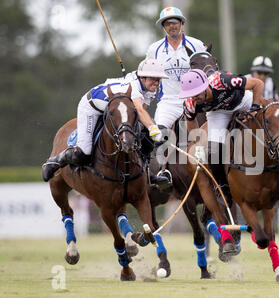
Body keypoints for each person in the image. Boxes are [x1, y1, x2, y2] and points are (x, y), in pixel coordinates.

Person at [41, 58, 170, 188]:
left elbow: (139, 113)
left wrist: (149, 132)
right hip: (92, 107)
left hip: (115, 110)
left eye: (158, 79)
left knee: (143, 135)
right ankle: (56, 161)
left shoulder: (150, 89)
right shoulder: (134, 86)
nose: (156, 83)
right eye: (153, 79)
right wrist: (154, 129)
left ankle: (146, 172)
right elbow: (140, 110)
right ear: (142, 77)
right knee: (83, 153)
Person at [179, 69, 265, 206]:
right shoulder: (190, 103)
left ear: (205, 86)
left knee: (269, 121)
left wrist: (254, 107)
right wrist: (198, 143)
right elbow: (190, 120)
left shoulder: (222, 81)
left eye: (196, 93)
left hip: (242, 100)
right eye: (191, 94)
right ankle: (223, 188)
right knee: (214, 150)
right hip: (218, 113)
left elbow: (258, 84)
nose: (194, 97)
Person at [146, 7, 207, 182]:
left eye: (175, 22)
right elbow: (149, 75)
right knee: (159, 133)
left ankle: (205, 163)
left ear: (181, 24)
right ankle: (163, 171)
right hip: (169, 101)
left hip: (194, 98)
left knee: (205, 131)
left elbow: (207, 71)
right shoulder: (154, 49)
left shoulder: (196, 44)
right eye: (168, 23)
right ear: (164, 27)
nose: (172, 26)